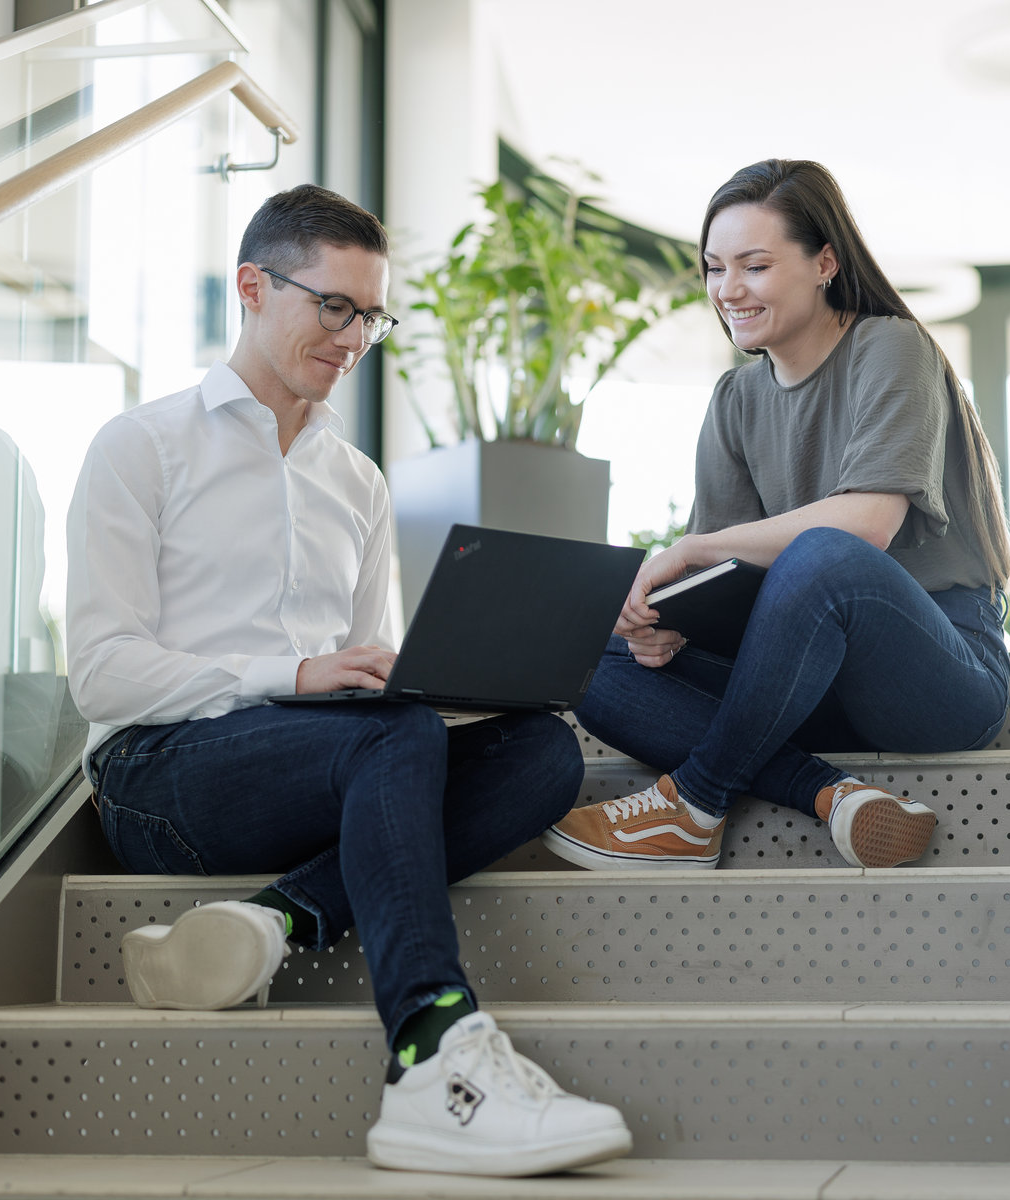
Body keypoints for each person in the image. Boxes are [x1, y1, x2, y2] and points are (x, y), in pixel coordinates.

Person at [65, 184, 630, 1177]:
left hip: (322, 760)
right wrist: (290, 672)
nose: (354, 336)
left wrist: (428, 685)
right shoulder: (141, 447)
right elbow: (103, 676)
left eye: (371, 315)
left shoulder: (358, 482)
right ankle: (430, 1053)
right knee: (391, 738)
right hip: (157, 775)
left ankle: (273, 918)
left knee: (539, 749)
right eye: (334, 306)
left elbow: (369, 681)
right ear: (253, 286)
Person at [543, 159, 1010, 873]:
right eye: (714, 268)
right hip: (800, 682)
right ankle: (831, 794)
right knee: (585, 655)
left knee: (824, 553)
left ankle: (696, 804)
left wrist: (693, 546)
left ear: (825, 261)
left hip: (934, 669)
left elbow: (868, 527)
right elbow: (732, 580)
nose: (728, 290)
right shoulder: (736, 399)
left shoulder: (891, 346)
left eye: (754, 266)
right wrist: (664, 620)